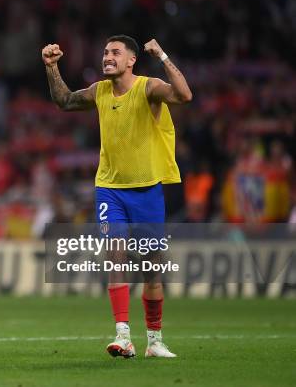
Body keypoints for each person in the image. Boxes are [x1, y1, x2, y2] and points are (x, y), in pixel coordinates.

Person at [42, 35, 192, 358]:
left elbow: (184, 94)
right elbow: (64, 100)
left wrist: (163, 54)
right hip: (110, 189)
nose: (107, 57)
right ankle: (123, 335)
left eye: (115, 52)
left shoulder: (148, 88)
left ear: (131, 60)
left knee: (152, 269)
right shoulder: (99, 91)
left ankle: (154, 341)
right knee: (116, 256)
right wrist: (52, 67)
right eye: (105, 52)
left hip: (147, 190)